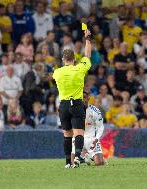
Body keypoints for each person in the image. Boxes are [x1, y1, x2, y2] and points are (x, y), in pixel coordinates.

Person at [53, 29, 91, 168]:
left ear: (63, 60)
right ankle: (78, 158)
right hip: (76, 103)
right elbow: (87, 55)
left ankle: (68, 162)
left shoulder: (57, 73)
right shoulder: (79, 68)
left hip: (63, 105)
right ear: (74, 59)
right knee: (79, 133)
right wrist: (87, 39)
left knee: (67, 135)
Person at [72, 91, 105, 166]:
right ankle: (83, 158)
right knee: (72, 163)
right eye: (80, 98)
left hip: (91, 139)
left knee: (99, 163)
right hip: (78, 138)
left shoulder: (95, 111)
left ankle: (88, 156)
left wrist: (96, 139)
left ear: (88, 98)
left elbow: (100, 127)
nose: (82, 99)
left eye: (84, 97)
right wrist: (74, 138)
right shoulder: (73, 111)